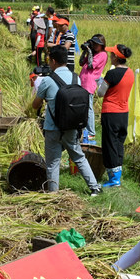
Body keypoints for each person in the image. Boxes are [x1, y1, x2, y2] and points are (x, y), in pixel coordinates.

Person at [31, 46, 101, 196]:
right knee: (79, 157)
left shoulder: (48, 80)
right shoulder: (76, 78)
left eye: (49, 60)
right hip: (72, 127)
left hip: (52, 128)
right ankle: (94, 187)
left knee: (53, 163)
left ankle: (53, 194)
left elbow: (35, 105)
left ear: (54, 61)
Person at [98, 44, 135, 189]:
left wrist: (100, 83)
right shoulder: (130, 73)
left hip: (110, 112)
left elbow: (100, 93)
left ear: (116, 57)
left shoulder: (112, 74)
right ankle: (117, 175)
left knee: (110, 144)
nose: (110, 57)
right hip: (123, 113)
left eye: (112, 54)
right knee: (119, 143)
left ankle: (113, 180)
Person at [79, 34, 108, 143]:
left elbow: (91, 65)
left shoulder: (102, 55)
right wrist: (85, 50)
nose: (95, 46)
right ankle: (84, 129)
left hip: (89, 83)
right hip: (83, 81)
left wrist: (89, 51)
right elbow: (81, 62)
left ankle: (91, 132)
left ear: (102, 45)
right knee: (83, 106)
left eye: (97, 44)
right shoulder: (94, 53)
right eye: (94, 43)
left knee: (88, 107)